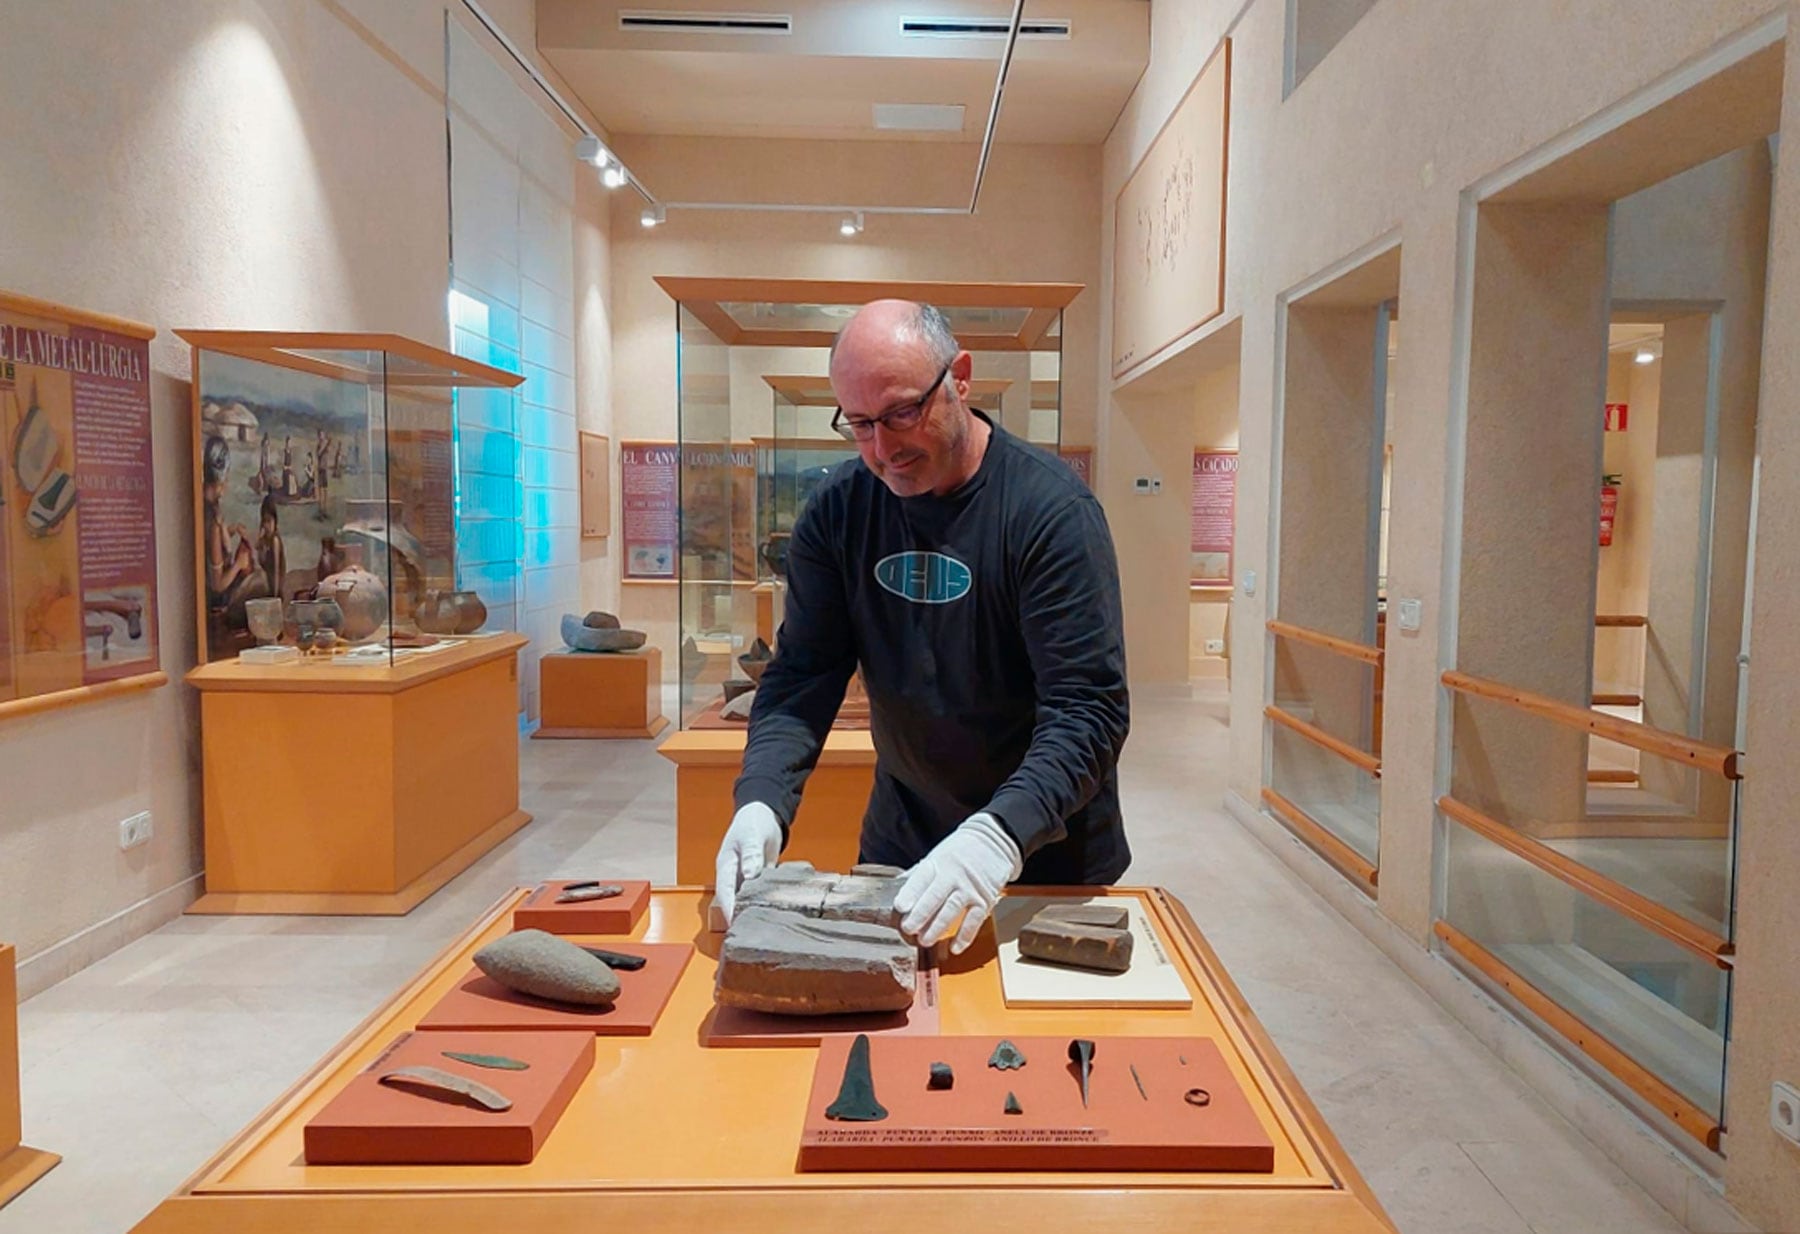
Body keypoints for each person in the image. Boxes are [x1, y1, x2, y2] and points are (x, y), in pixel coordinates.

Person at [714, 300, 1130, 954]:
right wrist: (761, 798)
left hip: (1046, 849)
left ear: (960, 377)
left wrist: (999, 834)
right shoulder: (839, 513)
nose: (884, 449)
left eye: (903, 412)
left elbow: (1087, 710)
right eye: (859, 424)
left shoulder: (1050, 512)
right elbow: (802, 678)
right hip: (901, 838)